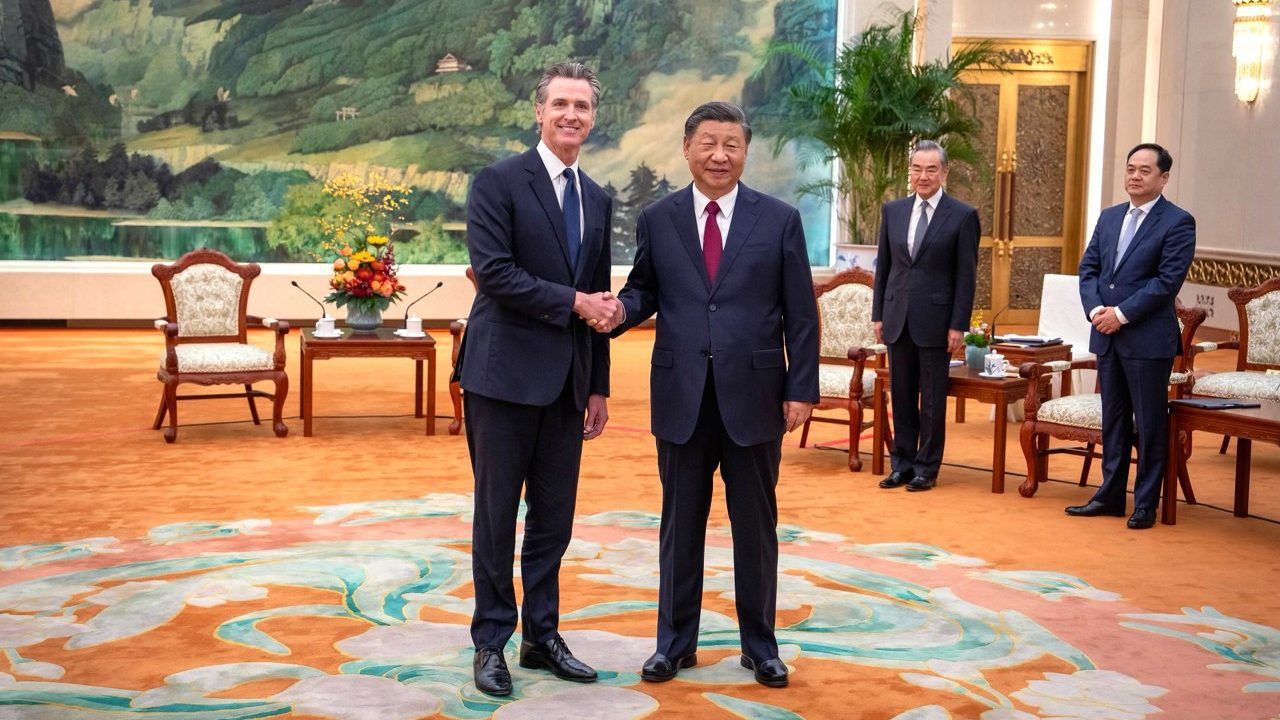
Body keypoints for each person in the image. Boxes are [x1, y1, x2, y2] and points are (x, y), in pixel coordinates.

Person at [606, 101, 819, 688]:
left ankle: (761, 646)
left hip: (755, 397)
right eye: (708, 143)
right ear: (687, 148)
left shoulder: (778, 220)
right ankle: (674, 644)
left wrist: (802, 385)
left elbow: (801, 313)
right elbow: (643, 289)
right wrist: (613, 312)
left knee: (756, 527)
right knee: (680, 525)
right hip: (681, 394)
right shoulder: (660, 218)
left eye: (731, 144)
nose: (719, 155)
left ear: (745, 151)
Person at [456, 62, 619, 696]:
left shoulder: (598, 198)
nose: (571, 115)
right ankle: (490, 640)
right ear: (539, 111)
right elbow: (494, 273)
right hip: (501, 379)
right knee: (496, 517)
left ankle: (540, 636)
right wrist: (576, 303)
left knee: (554, 520)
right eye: (560, 104)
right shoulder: (498, 182)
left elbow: (601, 298)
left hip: (568, 386)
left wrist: (598, 384)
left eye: (582, 106)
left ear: (593, 118)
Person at [1067, 142, 1195, 530]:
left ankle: (1145, 504)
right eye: (1130, 169)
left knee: (1150, 422)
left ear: (1164, 177)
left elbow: (1166, 282)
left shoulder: (1178, 221)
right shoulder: (1108, 217)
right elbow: (1088, 269)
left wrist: (1120, 315)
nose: (1135, 176)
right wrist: (1095, 312)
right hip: (1106, 334)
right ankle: (1109, 495)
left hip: (1147, 339)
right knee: (1115, 420)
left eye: (1144, 170)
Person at [871, 140, 980, 492]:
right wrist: (878, 314)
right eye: (917, 169)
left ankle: (926, 468)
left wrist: (958, 325)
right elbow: (883, 267)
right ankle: (901, 464)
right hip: (896, 316)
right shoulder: (894, 211)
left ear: (944, 172)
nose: (923, 176)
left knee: (932, 400)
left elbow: (966, 276)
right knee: (901, 395)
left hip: (937, 321)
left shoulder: (963, 216)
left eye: (931, 169)